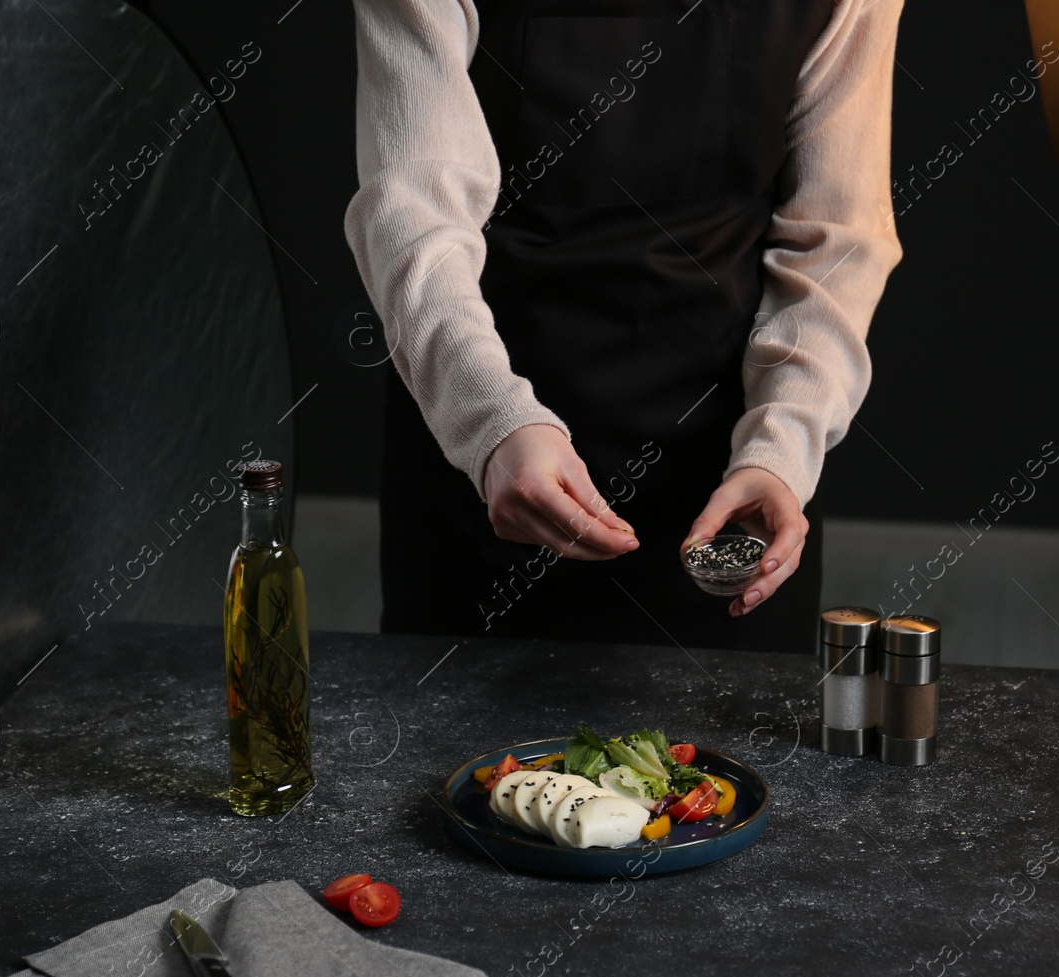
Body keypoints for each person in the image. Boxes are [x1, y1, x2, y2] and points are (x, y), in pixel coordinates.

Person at [345, 0, 904, 654]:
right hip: (484, 477)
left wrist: (783, 450)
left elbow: (839, 240)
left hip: (725, 498)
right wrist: (492, 424)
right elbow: (411, 212)